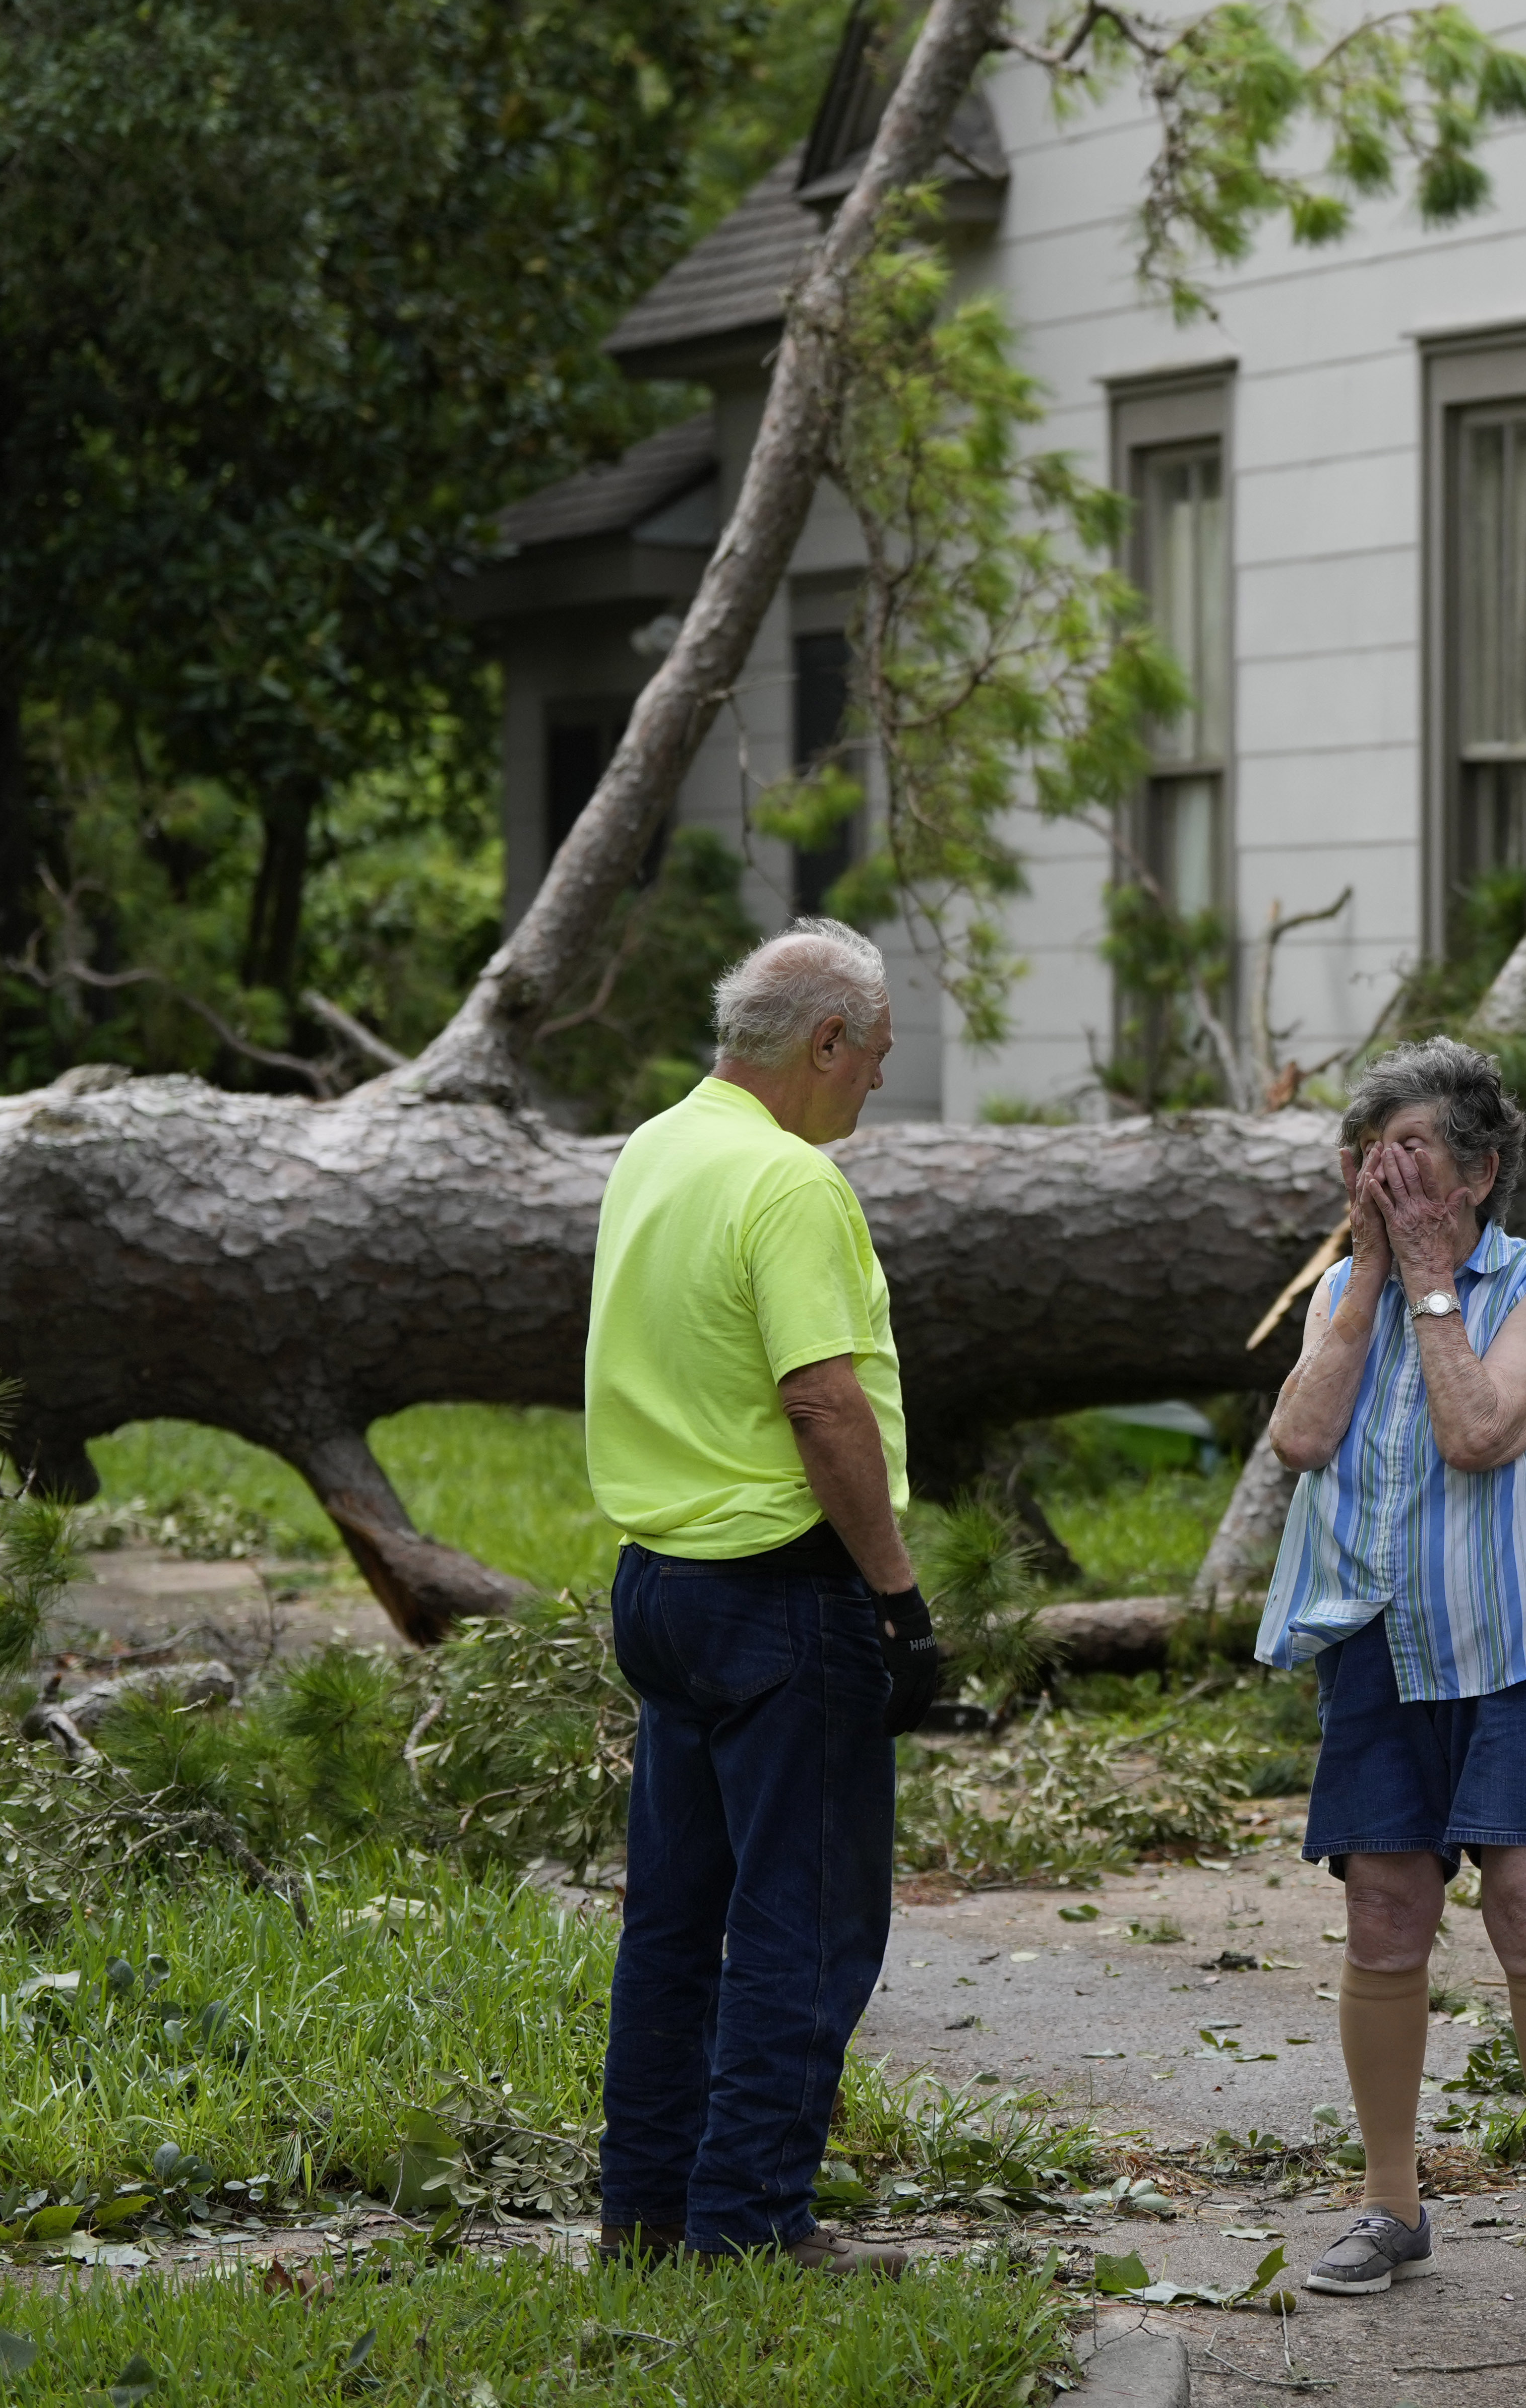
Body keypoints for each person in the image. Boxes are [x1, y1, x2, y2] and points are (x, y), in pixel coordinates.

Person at [584, 920, 944, 2276]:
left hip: (661, 1587)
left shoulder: (656, 1150)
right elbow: (820, 1398)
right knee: (807, 1920)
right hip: (785, 1598)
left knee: (674, 1922)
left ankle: (648, 2210)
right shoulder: (789, 1186)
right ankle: (751, 2227)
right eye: (877, 1059)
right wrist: (897, 1601)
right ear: (825, 1042)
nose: (877, 1087)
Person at [1258, 1037, 1526, 2311]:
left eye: (1411, 1154)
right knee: (1383, 1914)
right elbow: (1300, 1438)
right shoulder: (1342, 1292)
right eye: (1369, 1158)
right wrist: (1369, 1275)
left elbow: (1478, 1435)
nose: (1386, 1176)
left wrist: (1429, 1281)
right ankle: (1390, 2203)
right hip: (1382, 1637)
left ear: (1477, 1172)